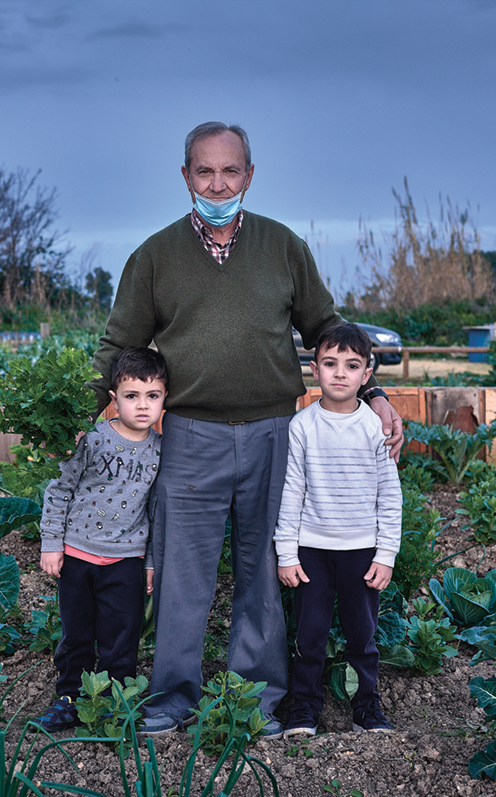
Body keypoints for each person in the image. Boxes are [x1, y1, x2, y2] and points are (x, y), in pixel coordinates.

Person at [90, 121, 404, 738]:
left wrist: (375, 393)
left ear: (249, 176)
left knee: (266, 569)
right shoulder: (153, 257)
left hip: (275, 433)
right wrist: (83, 419)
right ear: (185, 177)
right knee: (183, 574)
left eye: (230, 171)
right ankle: (173, 699)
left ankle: (254, 700)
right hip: (188, 436)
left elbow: (327, 328)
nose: (218, 182)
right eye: (204, 171)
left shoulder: (282, 247)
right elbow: (120, 344)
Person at [275, 323, 402, 736]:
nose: (340, 373)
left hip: (362, 552)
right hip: (312, 550)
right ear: (315, 370)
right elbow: (292, 491)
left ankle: (367, 707)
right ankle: (305, 708)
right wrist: (287, 552)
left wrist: (386, 554)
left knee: (362, 637)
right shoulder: (302, 426)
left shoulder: (375, 428)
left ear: (367, 375)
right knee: (308, 636)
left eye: (352, 366)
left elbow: (390, 497)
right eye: (330, 364)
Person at [33, 346, 167, 732]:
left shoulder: (160, 451)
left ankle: (114, 704)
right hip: (77, 556)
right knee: (77, 636)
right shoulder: (90, 440)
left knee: (121, 640)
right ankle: (69, 700)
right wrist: (51, 543)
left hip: (125, 562)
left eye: (152, 396)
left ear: (164, 399)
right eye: (131, 396)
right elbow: (59, 490)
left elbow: (157, 512)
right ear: (113, 399)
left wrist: (152, 562)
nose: (142, 406)